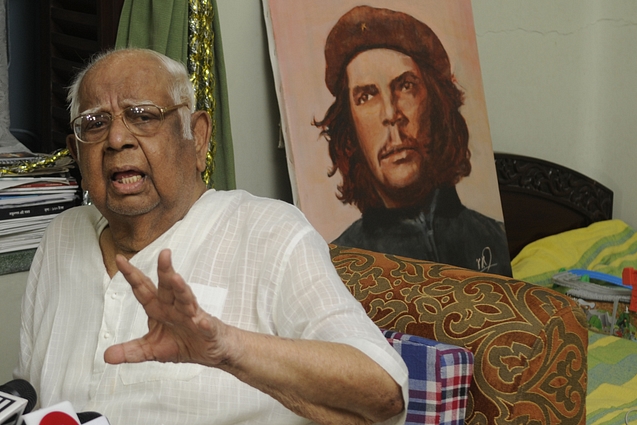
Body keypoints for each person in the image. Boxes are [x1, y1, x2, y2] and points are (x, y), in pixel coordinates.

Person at [15, 48, 407, 425]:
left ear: (198, 138)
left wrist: (226, 348)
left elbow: (384, 391)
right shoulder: (61, 237)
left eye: (143, 116)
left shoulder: (269, 231)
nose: (117, 139)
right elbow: (29, 397)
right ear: (76, 152)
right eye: (95, 124)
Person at [315, 6, 511, 276]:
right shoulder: (337, 268)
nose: (391, 114)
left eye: (405, 86)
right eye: (367, 96)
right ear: (350, 131)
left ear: (436, 105)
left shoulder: (496, 240)